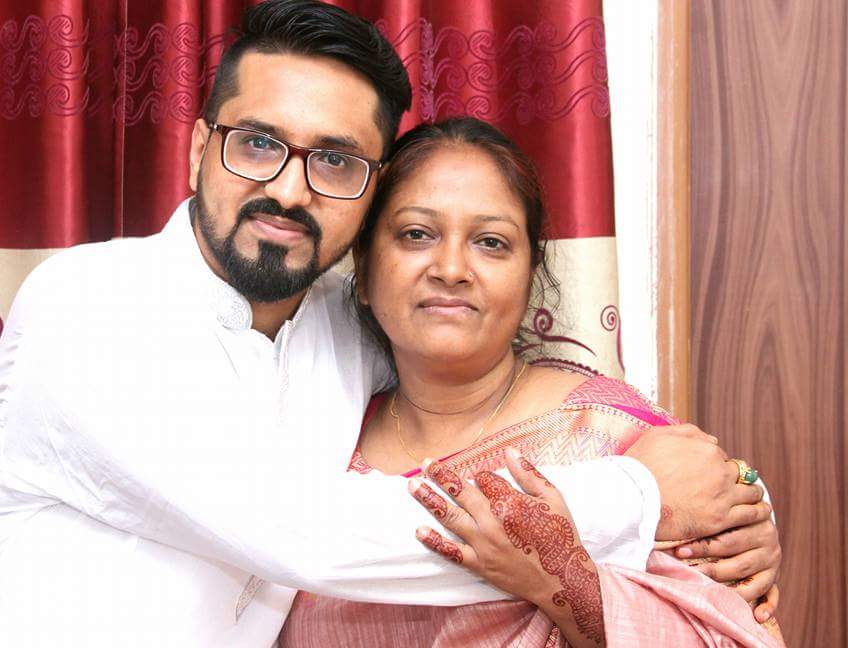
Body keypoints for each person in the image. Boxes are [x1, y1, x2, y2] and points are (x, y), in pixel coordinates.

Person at [0, 1, 780, 646]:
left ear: (368, 189)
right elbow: (312, 535)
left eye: (334, 160)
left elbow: (507, 402)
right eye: (256, 143)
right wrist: (645, 500)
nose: (288, 190)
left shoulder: (348, 323)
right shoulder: (90, 309)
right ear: (197, 148)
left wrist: (742, 505)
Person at [276, 117, 784, 646]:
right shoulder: (316, 440)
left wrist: (569, 588)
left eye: (491, 242)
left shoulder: (617, 439)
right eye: (417, 234)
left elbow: (739, 635)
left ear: (530, 273)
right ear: (363, 267)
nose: (451, 268)